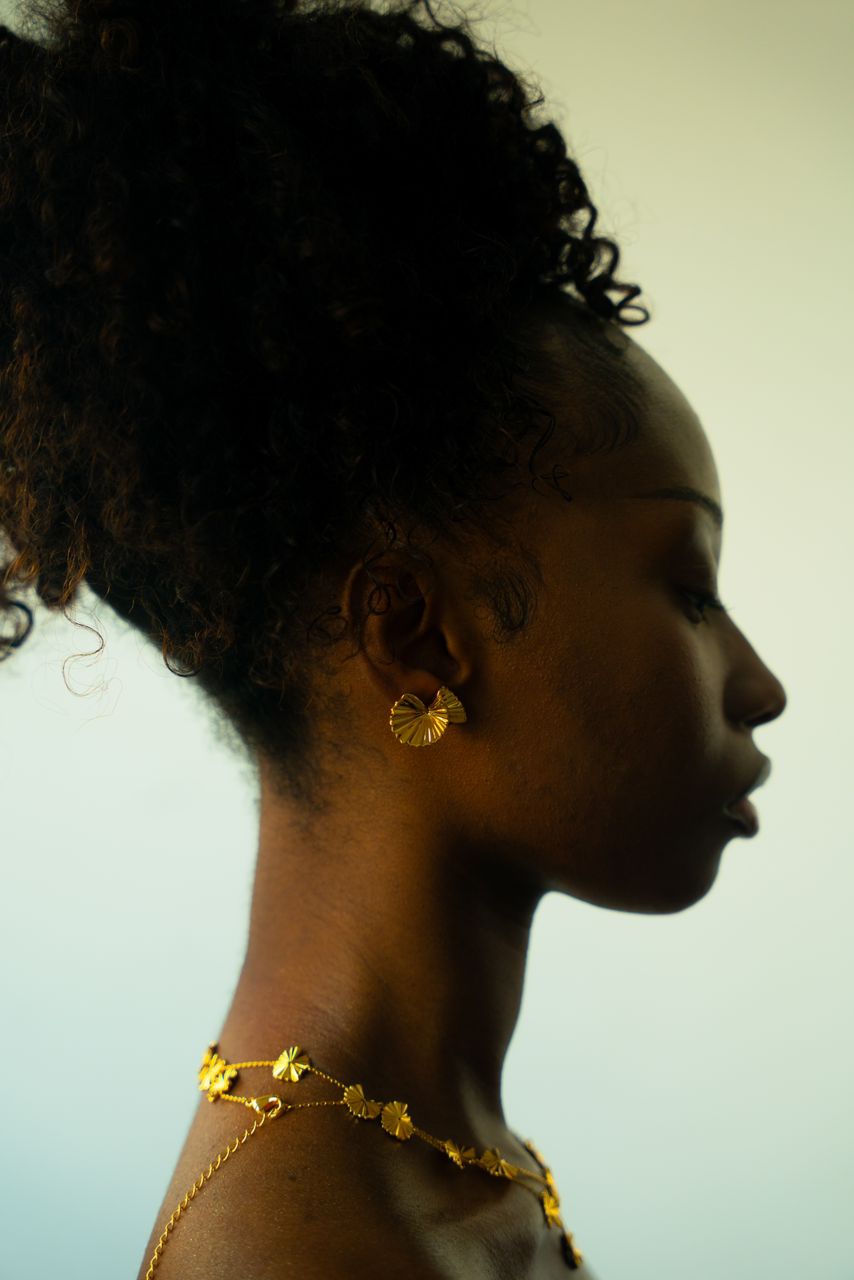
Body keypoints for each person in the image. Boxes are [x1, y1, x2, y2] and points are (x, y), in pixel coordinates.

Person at [0, 0, 787, 1276]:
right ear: (416, 640)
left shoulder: (451, 1161)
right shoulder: (306, 1250)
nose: (759, 684)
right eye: (688, 589)